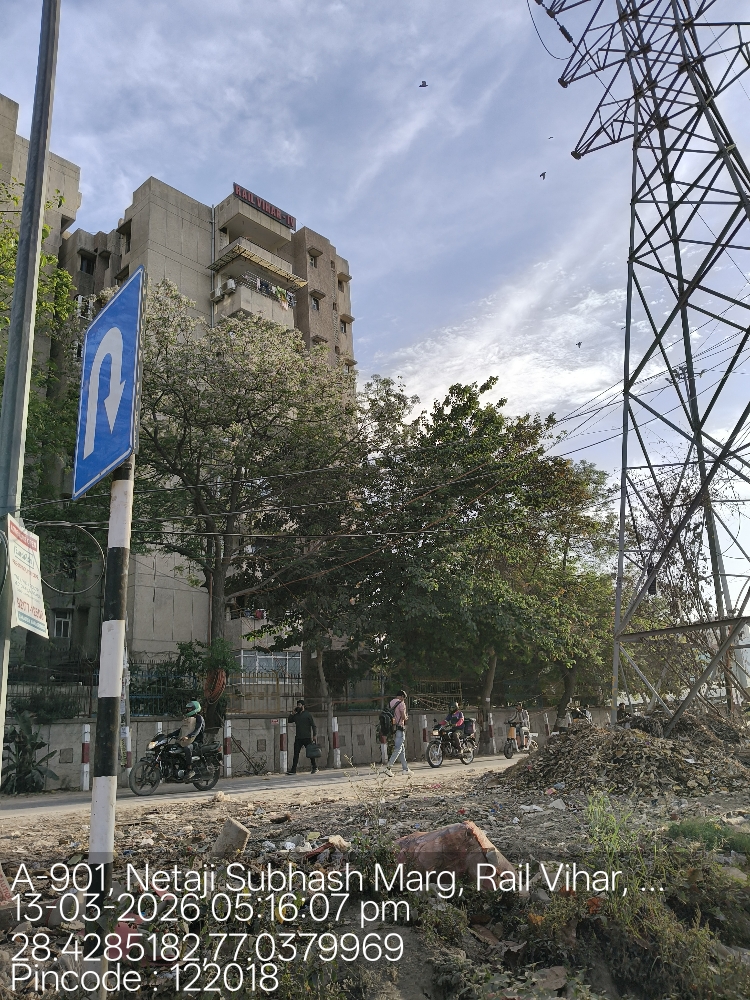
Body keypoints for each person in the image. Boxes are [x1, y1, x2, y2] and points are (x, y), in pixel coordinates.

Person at [168, 700, 205, 779]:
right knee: (173, 748)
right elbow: (181, 730)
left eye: (190, 708)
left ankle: (190, 769)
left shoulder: (199, 718)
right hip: (187, 741)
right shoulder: (188, 718)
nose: (188, 710)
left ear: (195, 708)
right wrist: (169, 735)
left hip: (196, 742)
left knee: (187, 748)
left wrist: (188, 736)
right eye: (188, 708)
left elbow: (197, 730)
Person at [287, 699, 318, 775]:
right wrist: (292, 713)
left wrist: (314, 735)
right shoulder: (296, 715)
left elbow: (313, 725)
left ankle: (315, 767)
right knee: (296, 754)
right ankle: (293, 770)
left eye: (299, 705)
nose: (298, 706)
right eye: (297, 705)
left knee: (310, 753)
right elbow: (289, 720)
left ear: (303, 706)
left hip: (307, 737)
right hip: (298, 738)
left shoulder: (307, 714)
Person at [384, 690, 410, 776]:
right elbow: (403, 716)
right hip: (400, 727)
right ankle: (388, 767)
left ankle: (405, 769)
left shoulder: (391, 702)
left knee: (402, 748)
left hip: (393, 728)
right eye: (404, 698)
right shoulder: (401, 703)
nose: (403, 700)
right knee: (398, 749)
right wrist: (406, 717)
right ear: (402, 696)